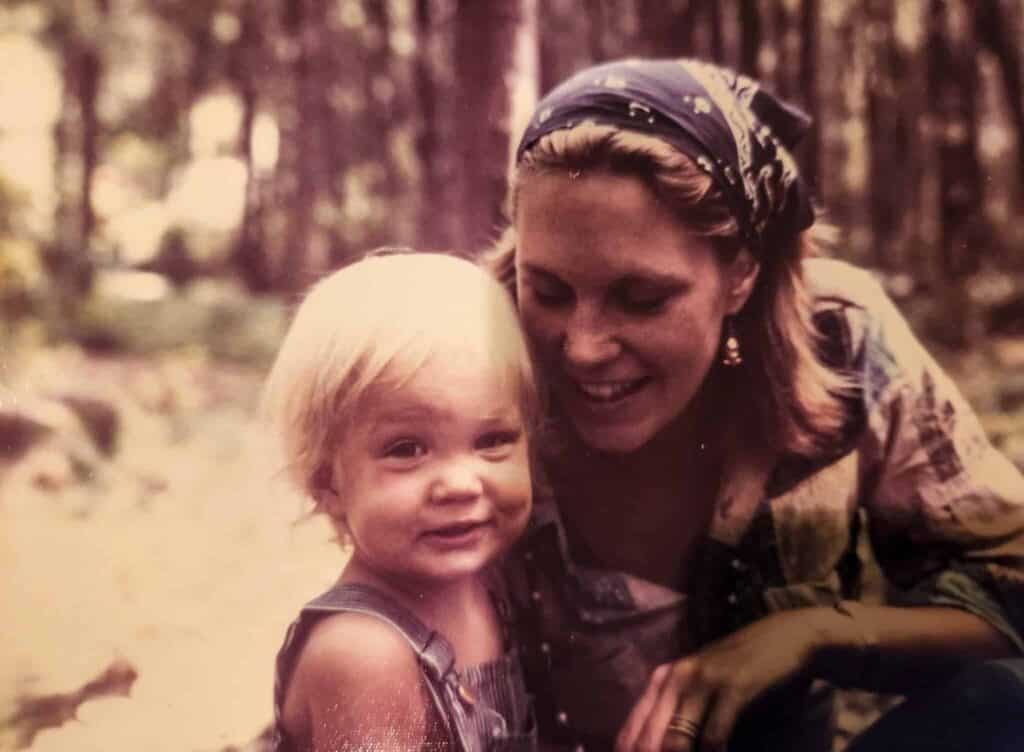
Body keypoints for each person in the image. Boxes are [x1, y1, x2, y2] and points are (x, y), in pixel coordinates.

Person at [484, 58, 1024, 752]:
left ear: (741, 273)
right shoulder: (467, 355)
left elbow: (1012, 579)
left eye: (642, 299)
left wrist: (814, 633)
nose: (583, 348)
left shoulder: (840, 337)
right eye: (549, 291)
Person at [263, 250, 540, 752]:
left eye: (492, 439)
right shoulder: (363, 653)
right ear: (328, 481)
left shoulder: (492, 588)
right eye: (406, 449)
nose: (460, 483)